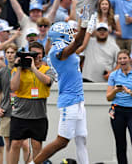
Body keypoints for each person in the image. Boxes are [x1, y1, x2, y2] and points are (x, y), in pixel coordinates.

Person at [30, 13, 91, 164]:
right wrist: (83, 24)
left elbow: (78, 41)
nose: (70, 34)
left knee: (81, 140)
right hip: (69, 101)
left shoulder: (63, 48)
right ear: (60, 36)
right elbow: (77, 43)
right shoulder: (56, 52)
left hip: (78, 100)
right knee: (62, 141)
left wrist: (84, 27)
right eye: (67, 32)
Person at [9, 42, 55, 164]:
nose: (36, 56)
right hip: (20, 113)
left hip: (38, 115)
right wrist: (19, 67)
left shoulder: (47, 69)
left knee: (36, 145)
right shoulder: (19, 69)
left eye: (38, 54)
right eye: (33, 53)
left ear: (43, 55)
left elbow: (47, 81)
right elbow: (13, 87)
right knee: (15, 143)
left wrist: (34, 68)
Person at [106, 49, 132, 164]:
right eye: (120, 59)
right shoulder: (113, 75)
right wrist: (115, 91)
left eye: (124, 58)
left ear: (129, 59)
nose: (122, 60)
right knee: (120, 144)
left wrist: (130, 92)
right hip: (118, 111)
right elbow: (108, 97)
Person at [0, 43, 18, 164]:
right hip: (6, 111)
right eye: (8, 52)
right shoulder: (1, 72)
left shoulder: (21, 70)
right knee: (8, 143)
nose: (10, 55)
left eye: (12, 52)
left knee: (21, 143)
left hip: (20, 111)